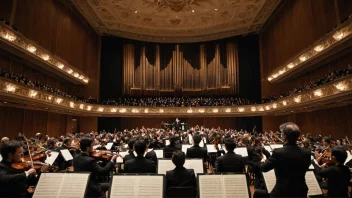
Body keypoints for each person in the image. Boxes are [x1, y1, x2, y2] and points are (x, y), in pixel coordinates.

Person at [260, 122, 311, 197]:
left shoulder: (278, 153)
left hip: (282, 192)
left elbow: (263, 168)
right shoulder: (306, 152)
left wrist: (263, 160)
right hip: (300, 191)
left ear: (284, 136)